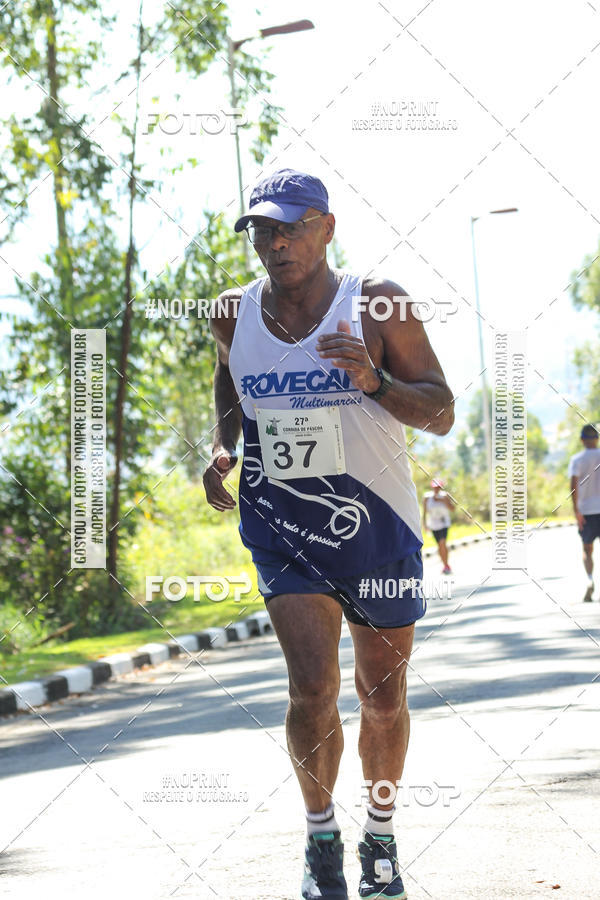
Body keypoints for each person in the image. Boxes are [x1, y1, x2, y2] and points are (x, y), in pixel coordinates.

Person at [203, 168, 454, 900]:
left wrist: (374, 382)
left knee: (381, 698)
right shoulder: (229, 312)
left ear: (327, 228)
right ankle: (320, 842)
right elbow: (231, 381)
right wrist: (225, 446)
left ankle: (380, 835)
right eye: (262, 231)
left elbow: (440, 411)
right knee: (310, 687)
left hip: (379, 524)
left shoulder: (376, 304)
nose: (276, 243)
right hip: (283, 525)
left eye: (291, 227)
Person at [568, 423, 600, 602]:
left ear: (582, 440)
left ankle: (589, 580)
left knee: (588, 550)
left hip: (586, 511)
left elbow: (573, 486)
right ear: (597, 439)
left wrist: (576, 511)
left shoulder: (577, 460)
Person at [422, 478, 455, 574]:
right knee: (439, 545)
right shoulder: (427, 497)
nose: (437, 489)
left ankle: (446, 565)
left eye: (438, 487)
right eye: (435, 487)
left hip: (444, 523)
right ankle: (444, 564)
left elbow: (452, 509)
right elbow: (424, 512)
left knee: (442, 543)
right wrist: (424, 524)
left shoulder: (445, 496)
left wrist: (442, 500)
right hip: (433, 524)